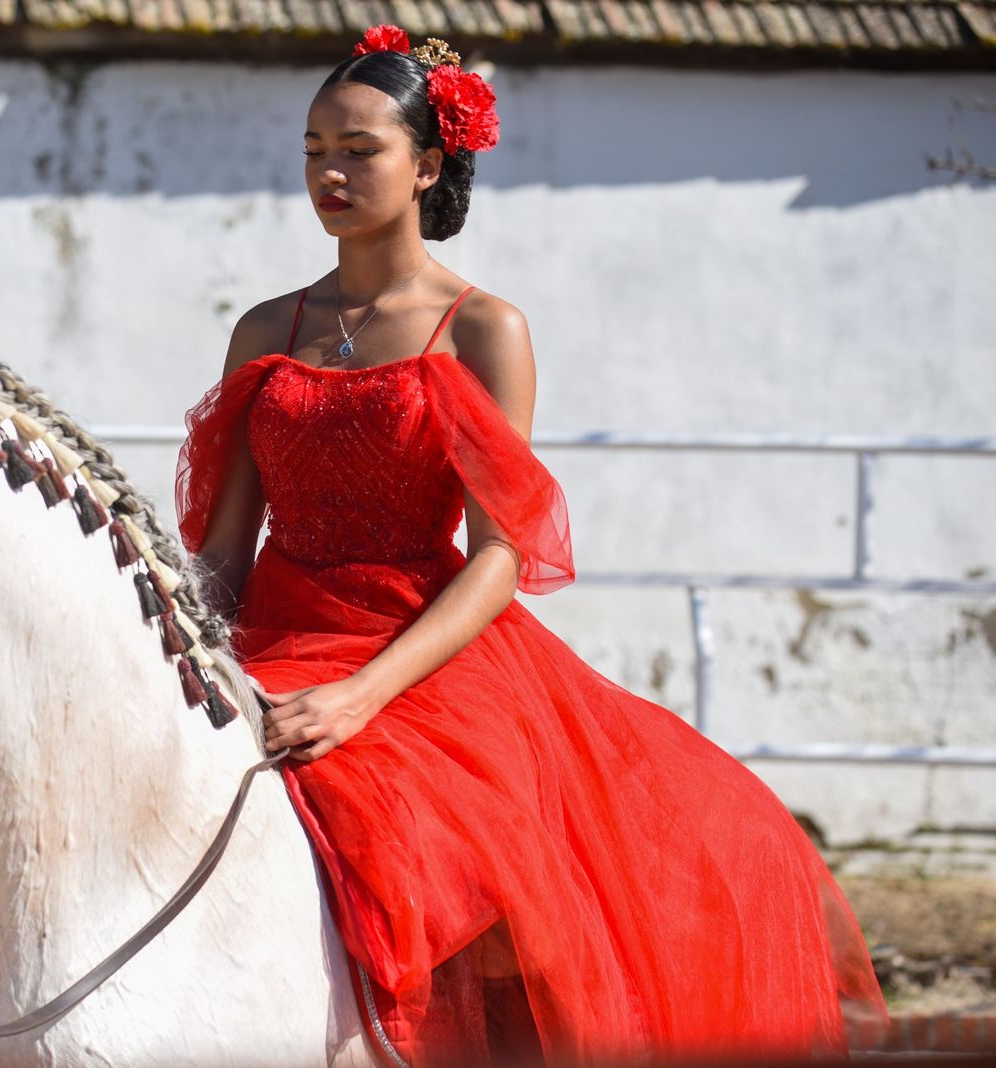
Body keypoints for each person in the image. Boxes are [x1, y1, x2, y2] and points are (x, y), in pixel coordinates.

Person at [173, 24, 889, 1068]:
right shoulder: (264, 330)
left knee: (404, 840)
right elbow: (224, 547)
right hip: (275, 633)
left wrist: (361, 697)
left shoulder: (480, 328)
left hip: (425, 657)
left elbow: (500, 551)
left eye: (359, 148)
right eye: (313, 145)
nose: (329, 168)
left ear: (426, 164)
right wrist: (185, 652)